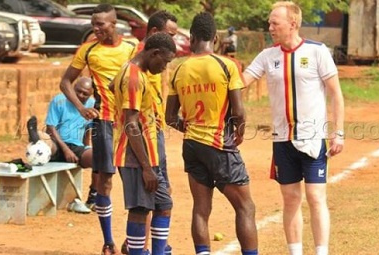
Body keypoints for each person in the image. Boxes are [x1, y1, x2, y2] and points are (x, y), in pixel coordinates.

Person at [242, 2, 345, 255]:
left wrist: (338, 131)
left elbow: (336, 94)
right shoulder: (268, 56)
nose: (270, 27)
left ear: (293, 23)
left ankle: (322, 252)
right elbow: (241, 81)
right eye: (270, 22)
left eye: (274, 22)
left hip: (312, 139)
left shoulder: (318, 52)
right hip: (282, 140)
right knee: (290, 200)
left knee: (315, 197)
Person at [165, 12, 258, 255]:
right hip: (219, 144)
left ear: (192, 37)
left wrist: (189, 128)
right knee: (245, 208)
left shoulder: (178, 69)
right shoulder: (227, 65)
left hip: (192, 146)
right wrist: (238, 132)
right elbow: (238, 111)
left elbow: (169, 117)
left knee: (201, 208)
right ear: (215, 38)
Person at [58, 3, 139, 254]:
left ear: (114, 24)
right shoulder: (88, 49)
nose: (95, 28)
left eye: (100, 24)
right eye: (93, 24)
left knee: (134, 180)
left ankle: (132, 240)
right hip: (103, 121)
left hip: (131, 122)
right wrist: (82, 109)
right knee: (104, 181)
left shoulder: (133, 47)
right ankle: (108, 241)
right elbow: (65, 82)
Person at [111, 32, 176, 255]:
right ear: (154, 53)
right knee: (140, 210)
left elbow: (111, 87)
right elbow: (131, 124)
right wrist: (147, 168)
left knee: (163, 204)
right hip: (135, 157)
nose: (165, 67)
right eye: (165, 61)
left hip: (149, 154)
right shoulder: (133, 77)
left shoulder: (134, 72)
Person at [46, 77, 97, 213]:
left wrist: (87, 148)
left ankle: (93, 198)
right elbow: (51, 128)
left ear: (91, 94)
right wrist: (66, 150)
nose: (80, 95)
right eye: (78, 91)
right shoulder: (59, 100)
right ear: (72, 89)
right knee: (43, 141)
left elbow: (88, 129)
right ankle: (36, 141)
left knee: (101, 158)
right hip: (57, 144)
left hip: (76, 147)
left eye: (85, 93)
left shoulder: (92, 104)